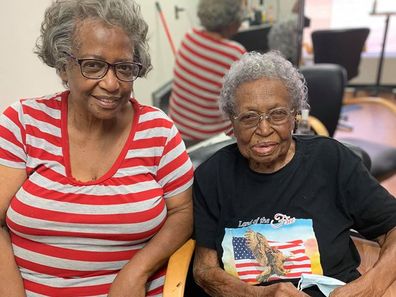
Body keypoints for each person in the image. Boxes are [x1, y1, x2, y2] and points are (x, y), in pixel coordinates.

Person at [0, 1, 194, 296]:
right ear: (64, 66)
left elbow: (183, 211)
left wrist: (137, 270)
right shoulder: (23, 123)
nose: (111, 83)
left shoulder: (159, 132)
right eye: (93, 65)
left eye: (124, 68)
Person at [192, 51, 396, 296]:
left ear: (294, 117)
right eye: (249, 117)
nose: (264, 129)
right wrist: (260, 295)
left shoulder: (332, 161)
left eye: (277, 114)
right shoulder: (212, 176)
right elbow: (204, 269)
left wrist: (369, 287)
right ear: (231, 124)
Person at [168, 0, 246, 146]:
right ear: (232, 22)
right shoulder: (234, 53)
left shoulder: (189, 38)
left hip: (176, 132)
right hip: (211, 140)